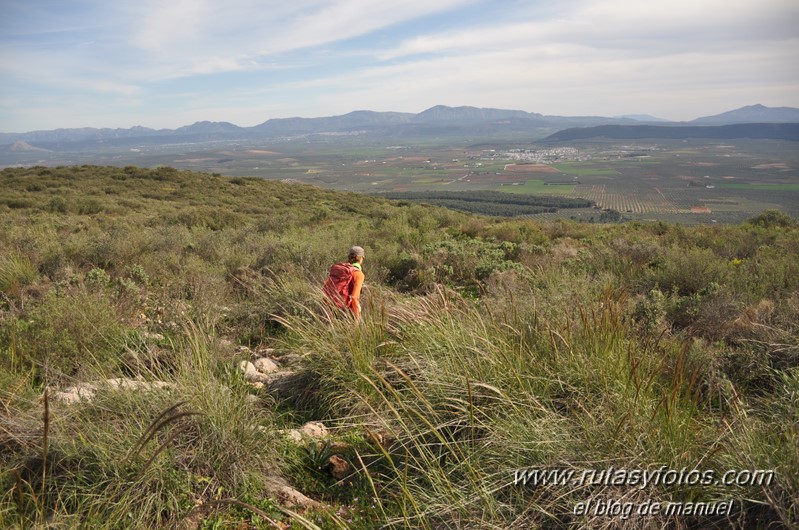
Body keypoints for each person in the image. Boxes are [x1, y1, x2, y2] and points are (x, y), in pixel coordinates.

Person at [322, 246, 365, 321]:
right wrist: (357, 319)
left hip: (331, 308)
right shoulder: (358, 274)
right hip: (345, 311)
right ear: (361, 258)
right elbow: (354, 297)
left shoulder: (341, 270)